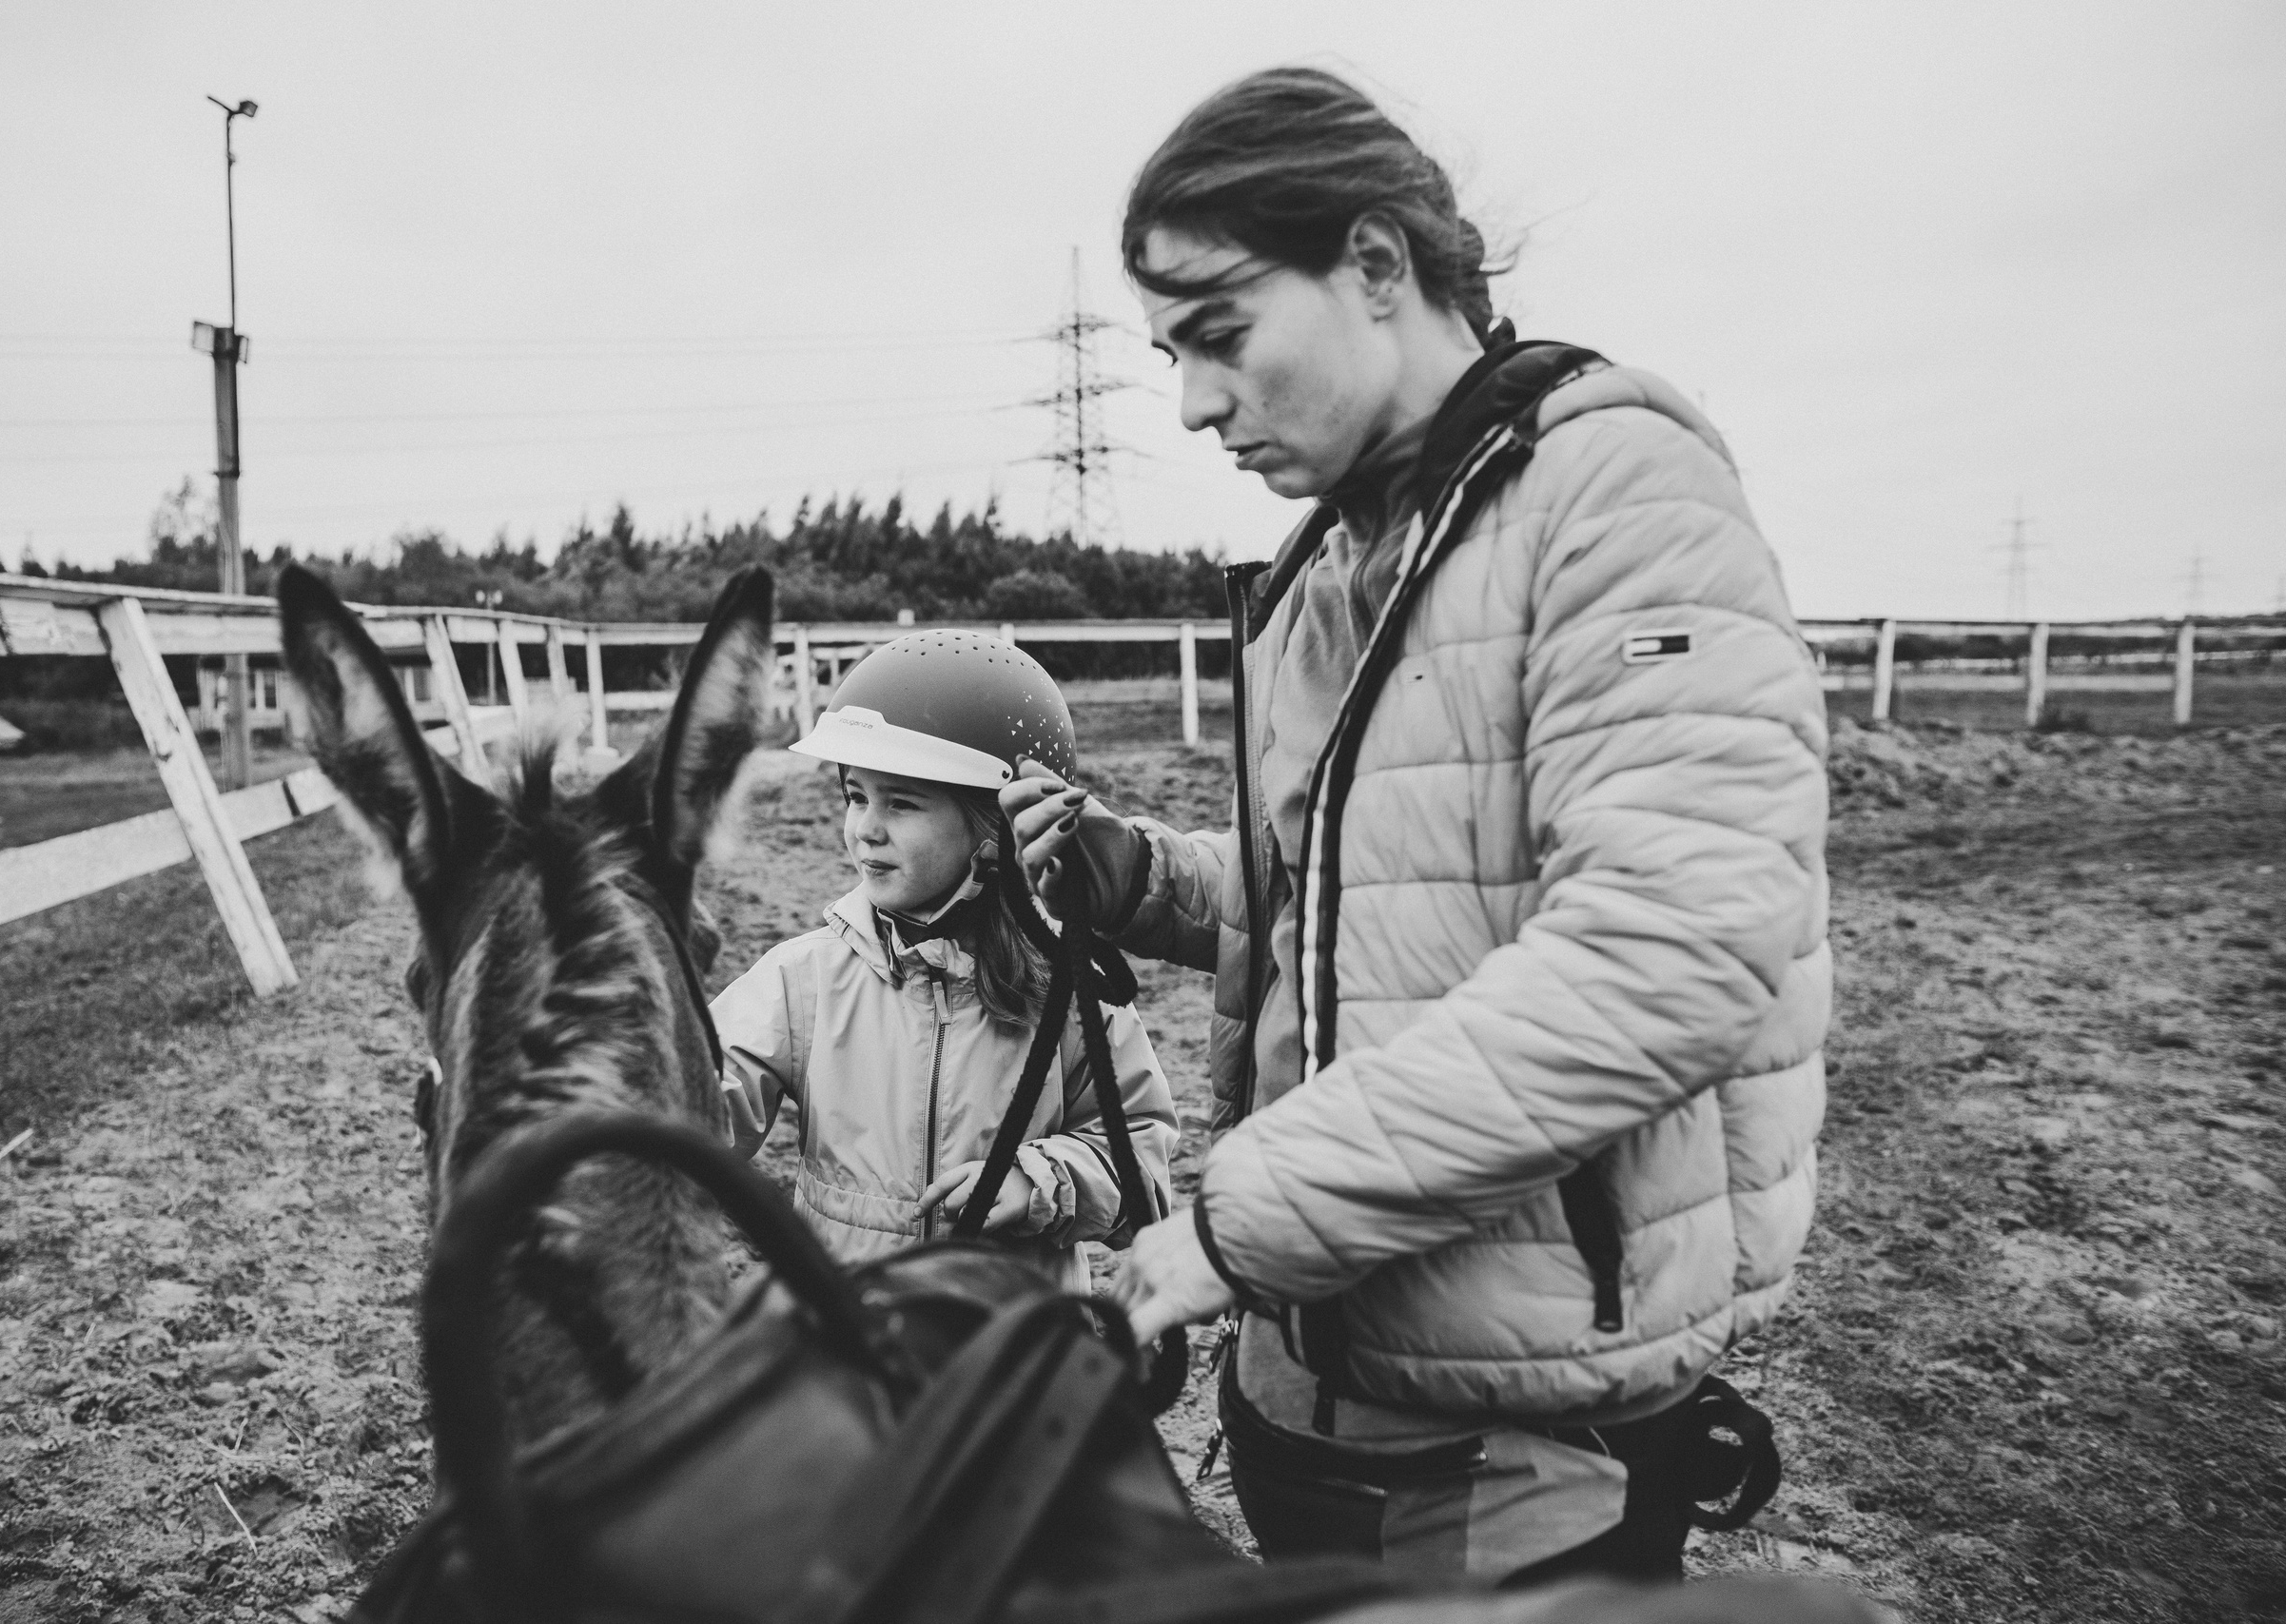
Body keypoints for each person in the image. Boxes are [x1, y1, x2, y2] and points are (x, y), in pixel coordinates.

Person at [1003, 68, 1829, 1587]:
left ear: (1376, 265)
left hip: (1513, 1441)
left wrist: (1244, 1222)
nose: (1192, 401)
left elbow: (1676, 948)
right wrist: (1137, 876)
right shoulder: (1337, 562)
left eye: (1221, 333)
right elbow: (1365, 909)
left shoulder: (1620, 495)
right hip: (1312, 1393)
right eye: (1171, 353)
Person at [713, 630, 1179, 1293]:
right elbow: (695, 1106)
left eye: (900, 802)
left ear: (998, 826)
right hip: (852, 1357)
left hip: (1011, 1364)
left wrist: (1039, 1182)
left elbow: (1145, 1173)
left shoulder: (1074, 992)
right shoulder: (804, 979)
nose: (865, 828)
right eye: (855, 795)